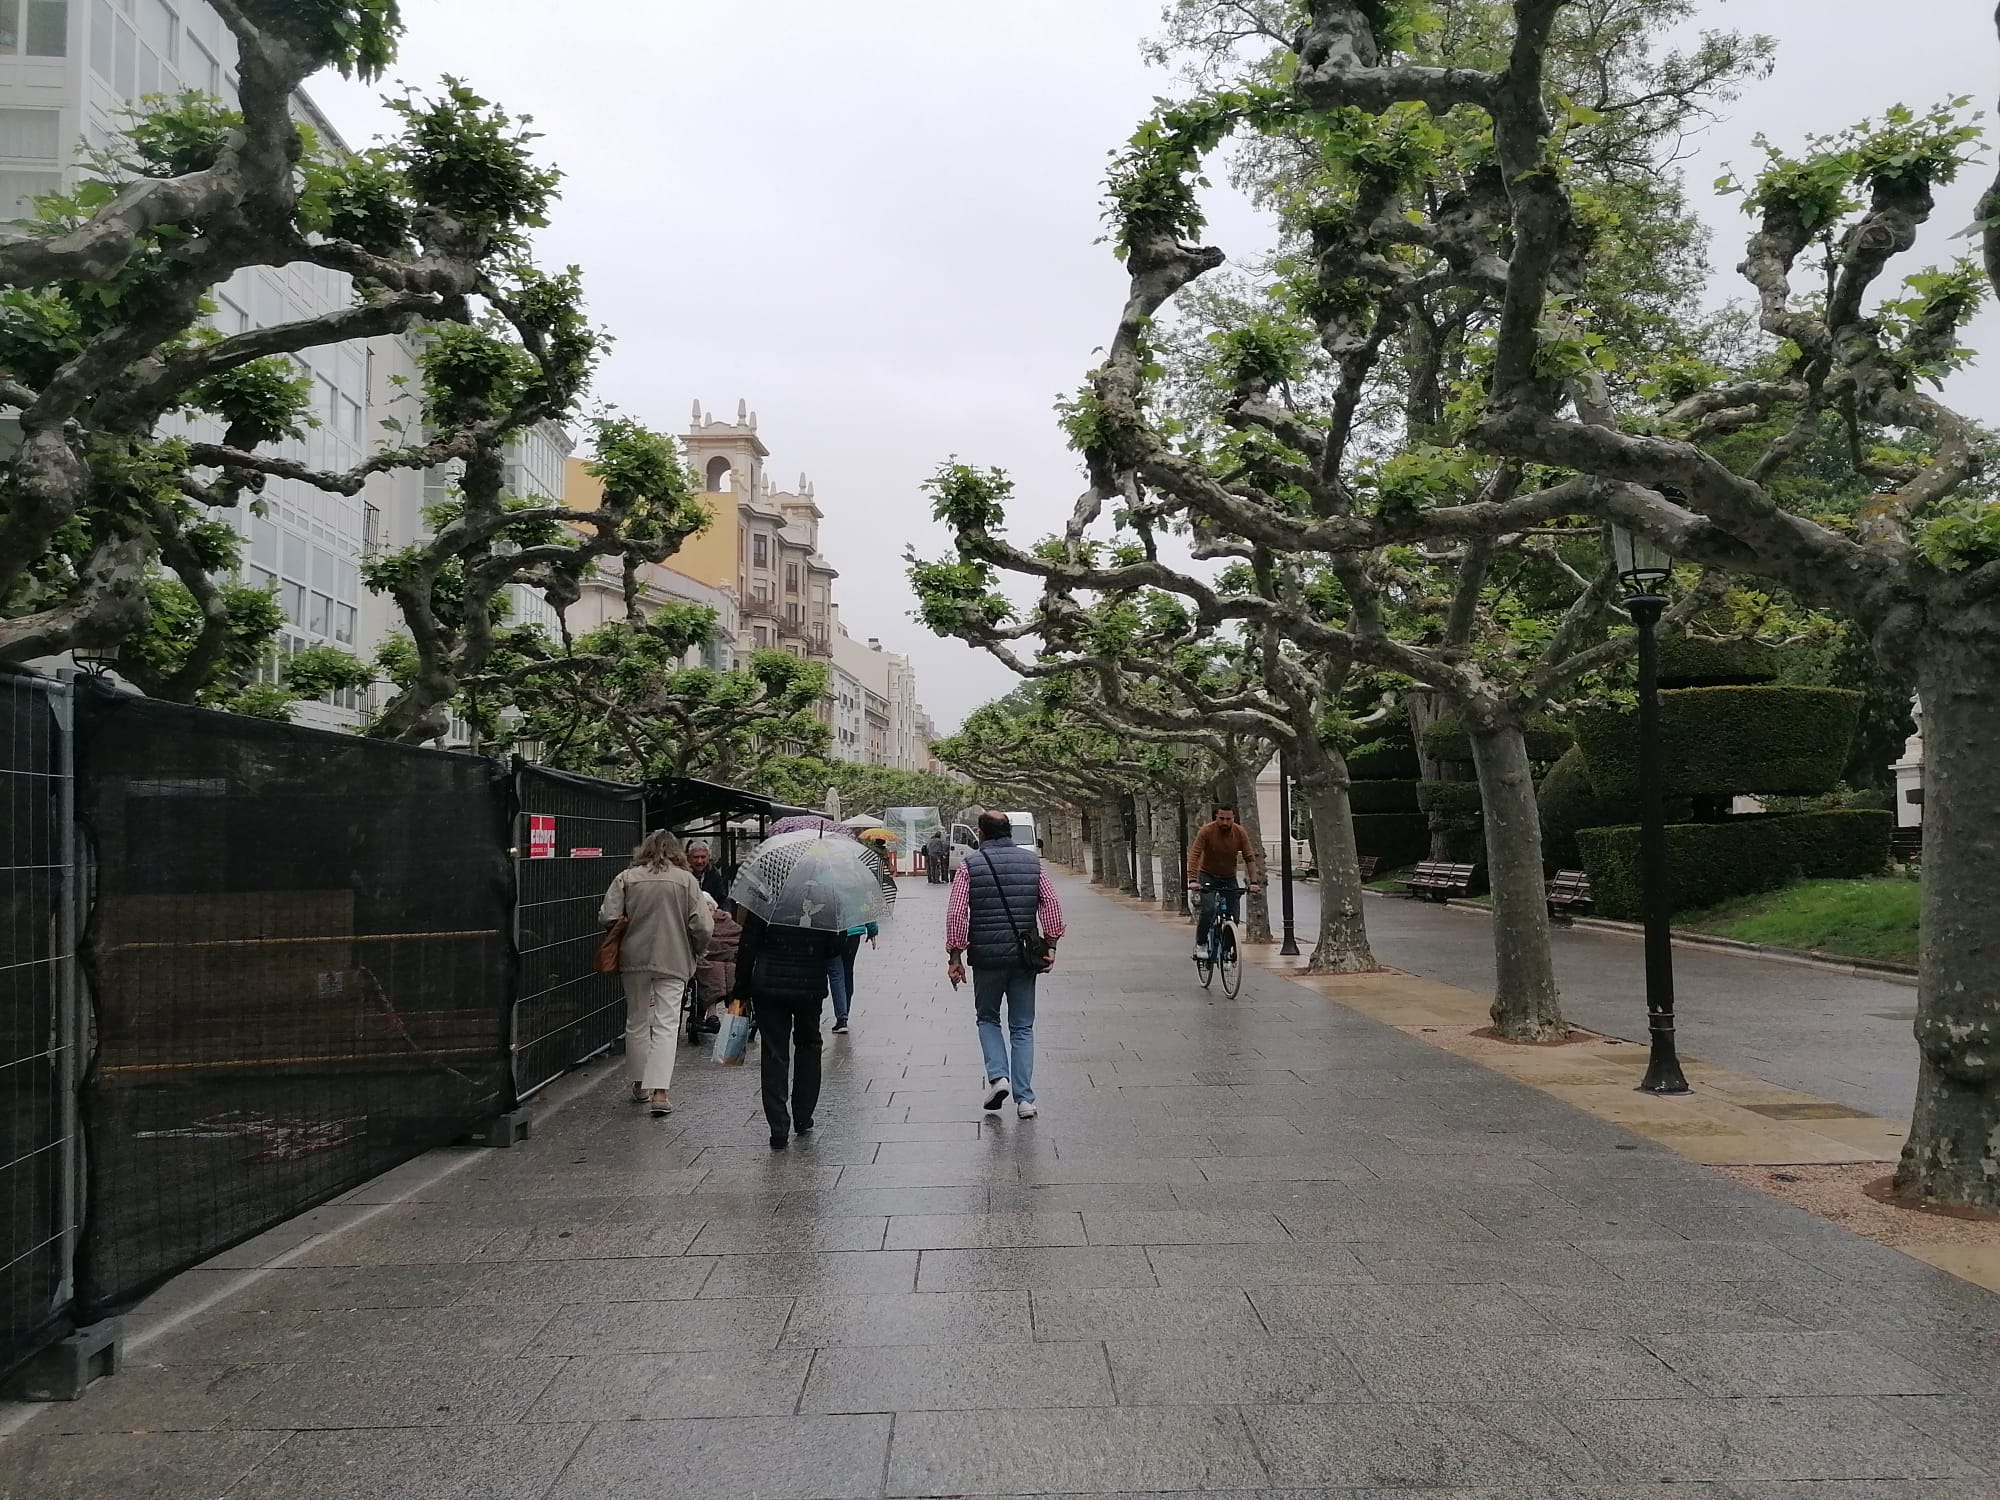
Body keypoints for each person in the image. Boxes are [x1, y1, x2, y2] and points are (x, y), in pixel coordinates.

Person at [946, 810, 1064, 1119]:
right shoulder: (1033, 864)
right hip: (1024, 957)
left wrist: (955, 955)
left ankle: (998, 1077)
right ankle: (1025, 1100)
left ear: (981, 834)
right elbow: (1051, 904)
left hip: (986, 958)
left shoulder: (970, 866)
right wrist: (1050, 944)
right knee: (1022, 1026)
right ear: (1009, 831)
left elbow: (958, 913)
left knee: (987, 1018)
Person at [600, 830, 713, 1117]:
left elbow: (608, 917)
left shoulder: (627, 878)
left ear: (644, 849)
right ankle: (661, 1092)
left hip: (634, 958)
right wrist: (695, 949)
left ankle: (639, 1084)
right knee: (666, 1024)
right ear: (677, 851)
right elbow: (702, 925)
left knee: (637, 1021)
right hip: (674, 958)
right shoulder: (686, 881)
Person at [735, 908, 843, 1149]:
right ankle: (803, 1116)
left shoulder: (767, 899)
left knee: (774, 1052)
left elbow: (748, 943)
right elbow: (835, 947)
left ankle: (778, 1127)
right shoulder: (824, 901)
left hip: (769, 985)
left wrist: (741, 988)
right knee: (809, 1046)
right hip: (809, 986)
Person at [1185, 804, 1263, 962]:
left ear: (1233, 818)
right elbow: (1195, 855)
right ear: (1216, 817)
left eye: (1229, 819)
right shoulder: (1206, 831)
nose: (1225, 822)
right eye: (1221, 818)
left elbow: (1249, 857)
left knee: (1234, 916)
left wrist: (1253, 881)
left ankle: (1227, 949)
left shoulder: (1240, 832)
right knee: (1208, 909)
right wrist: (1193, 879)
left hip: (1228, 877)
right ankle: (1201, 944)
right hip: (1207, 875)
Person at [693, 893, 740, 1035]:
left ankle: (735, 1014)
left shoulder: (726, 920)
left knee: (732, 971)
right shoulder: (698, 924)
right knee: (712, 971)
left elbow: (737, 936)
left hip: (727, 959)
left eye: (709, 906)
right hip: (706, 960)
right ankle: (711, 1015)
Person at [827, 921, 877, 1035]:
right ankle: (845, 1014)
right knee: (848, 972)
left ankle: (841, 1018)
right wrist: (872, 930)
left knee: (836, 974)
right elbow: (865, 906)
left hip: (834, 932)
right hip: (853, 933)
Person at [687, 841, 731, 908]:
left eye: (703, 857)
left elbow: (722, 898)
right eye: (696, 857)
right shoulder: (683, 875)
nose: (699, 861)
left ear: (708, 857)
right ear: (689, 858)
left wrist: (726, 912)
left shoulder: (713, 874)